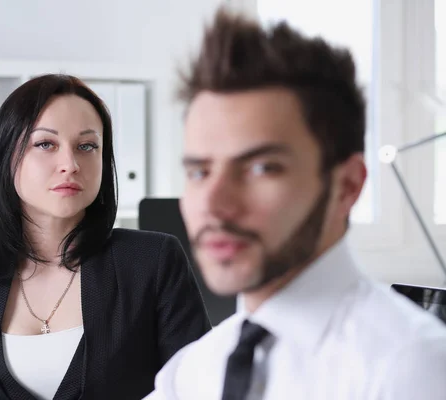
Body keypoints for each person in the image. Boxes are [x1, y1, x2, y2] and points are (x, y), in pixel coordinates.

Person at [145, 7, 446, 400]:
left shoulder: (410, 369)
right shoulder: (191, 373)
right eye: (199, 171)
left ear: (347, 187)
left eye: (260, 168)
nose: (213, 204)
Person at [0, 74, 211, 400]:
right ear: (7, 156)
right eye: (46, 144)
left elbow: (199, 389)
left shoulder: (153, 261)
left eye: (87, 146)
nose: (70, 164)